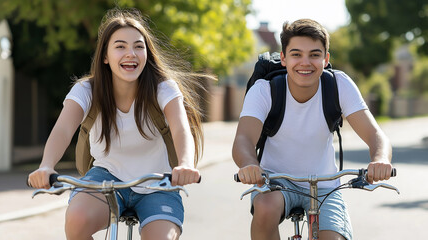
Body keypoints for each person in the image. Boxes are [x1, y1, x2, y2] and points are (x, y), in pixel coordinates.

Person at [28, 7, 215, 240]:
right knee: (76, 221)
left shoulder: (163, 88)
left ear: (147, 53)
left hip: (158, 183)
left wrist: (185, 164)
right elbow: (64, 129)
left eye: (139, 46)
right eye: (120, 46)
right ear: (105, 57)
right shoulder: (87, 90)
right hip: (105, 177)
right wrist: (46, 165)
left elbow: (180, 127)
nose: (131, 53)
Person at [232, 19, 393, 240]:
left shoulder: (339, 85)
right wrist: (250, 165)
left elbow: (375, 135)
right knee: (266, 209)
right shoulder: (265, 90)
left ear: (326, 59)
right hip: (275, 182)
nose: (305, 63)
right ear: (283, 58)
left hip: (325, 185)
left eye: (314, 55)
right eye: (296, 54)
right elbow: (243, 139)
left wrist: (380, 159)